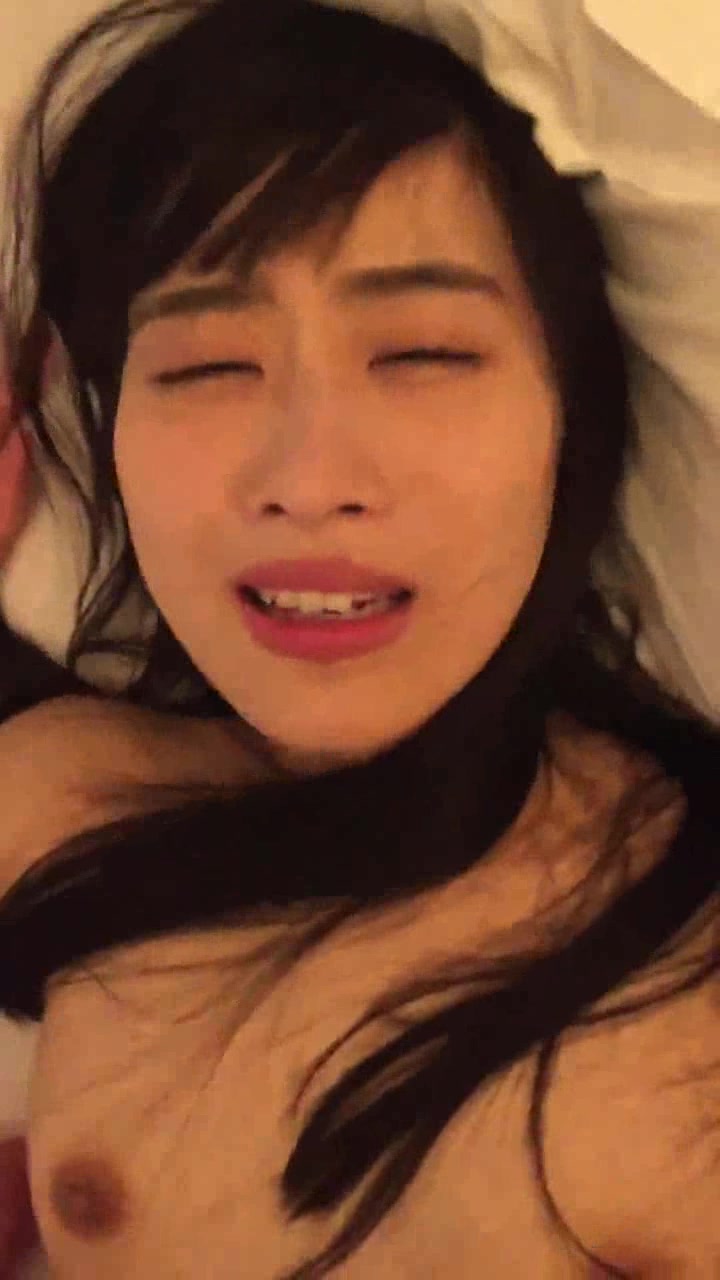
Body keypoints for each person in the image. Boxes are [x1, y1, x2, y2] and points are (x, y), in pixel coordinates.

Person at [0, 0, 717, 1276]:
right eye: (204, 366)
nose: (308, 477)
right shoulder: (61, 795)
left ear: (574, 423)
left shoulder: (688, 974)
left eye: (425, 352)